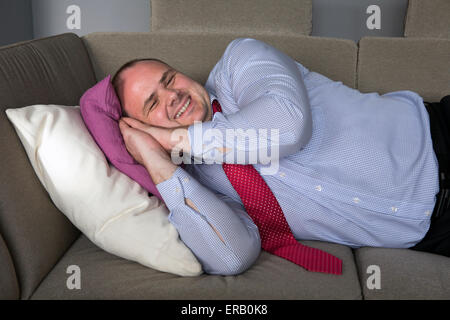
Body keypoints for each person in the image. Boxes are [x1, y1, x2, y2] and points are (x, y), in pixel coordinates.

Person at [113, 38, 449, 275]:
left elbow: (287, 127)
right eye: (152, 104)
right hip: (433, 233)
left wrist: (173, 137)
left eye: (170, 79)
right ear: (142, 128)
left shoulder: (238, 62)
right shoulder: (200, 183)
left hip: (439, 137)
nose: (173, 95)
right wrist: (157, 162)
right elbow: (232, 257)